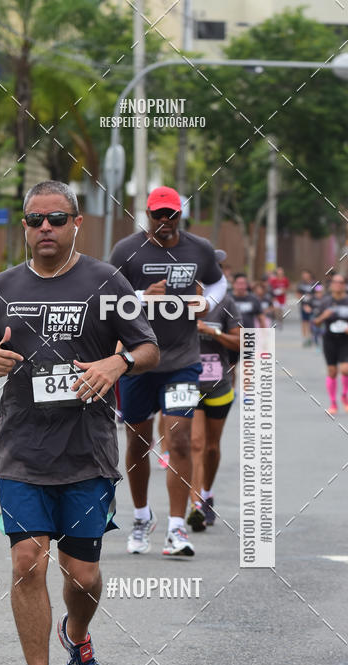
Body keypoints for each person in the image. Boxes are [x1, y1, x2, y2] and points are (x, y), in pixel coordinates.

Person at [0, 180, 159, 665]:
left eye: (56, 218)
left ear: (76, 223)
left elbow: (148, 346)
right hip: (20, 448)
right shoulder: (4, 286)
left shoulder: (107, 281)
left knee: (83, 576)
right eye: (34, 220)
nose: (45, 228)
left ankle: (77, 632)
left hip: (86, 451)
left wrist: (118, 363)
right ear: (24, 226)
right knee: (27, 562)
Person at [109, 186, 227, 557]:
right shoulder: (126, 251)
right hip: (138, 362)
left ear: (180, 215)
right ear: (147, 215)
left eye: (171, 214)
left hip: (182, 363)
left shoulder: (199, 249)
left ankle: (177, 528)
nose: (164, 220)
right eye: (158, 214)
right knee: (138, 443)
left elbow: (218, 281)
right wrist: (142, 298)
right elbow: (106, 297)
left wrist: (206, 303)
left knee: (179, 440)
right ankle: (142, 516)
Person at [187, 289, 242, 530]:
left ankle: (207, 493)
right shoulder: (177, 300)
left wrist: (212, 332)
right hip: (189, 382)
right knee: (196, 444)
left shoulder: (224, 301)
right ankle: (196, 505)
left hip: (219, 385)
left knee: (211, 447)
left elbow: (241, 341)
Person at [313, 273, 348, 415]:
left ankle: (344, 396)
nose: (337, 285)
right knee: (332, 371)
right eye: (335, 282)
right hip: (330, 339)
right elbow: (315, 322)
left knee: (345, 369)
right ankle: (333, 403)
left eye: (340, 282)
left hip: (345, 339)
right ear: (332, 285)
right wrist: (323, 316)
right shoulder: (325, 302)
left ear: (344, 285)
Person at [296, 269, 317, 346]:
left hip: (314, 305)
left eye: (306, 274)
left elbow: (319, 292)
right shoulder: (301, 284)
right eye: (303, 275)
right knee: (305, 322)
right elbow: (297, 294)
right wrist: (303, 300)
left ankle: (312, 337)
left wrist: (312, 298)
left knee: (313, 321)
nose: (305, 276)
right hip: (304, 305)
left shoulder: (315, 283)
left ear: (310, 275)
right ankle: (305, 338)